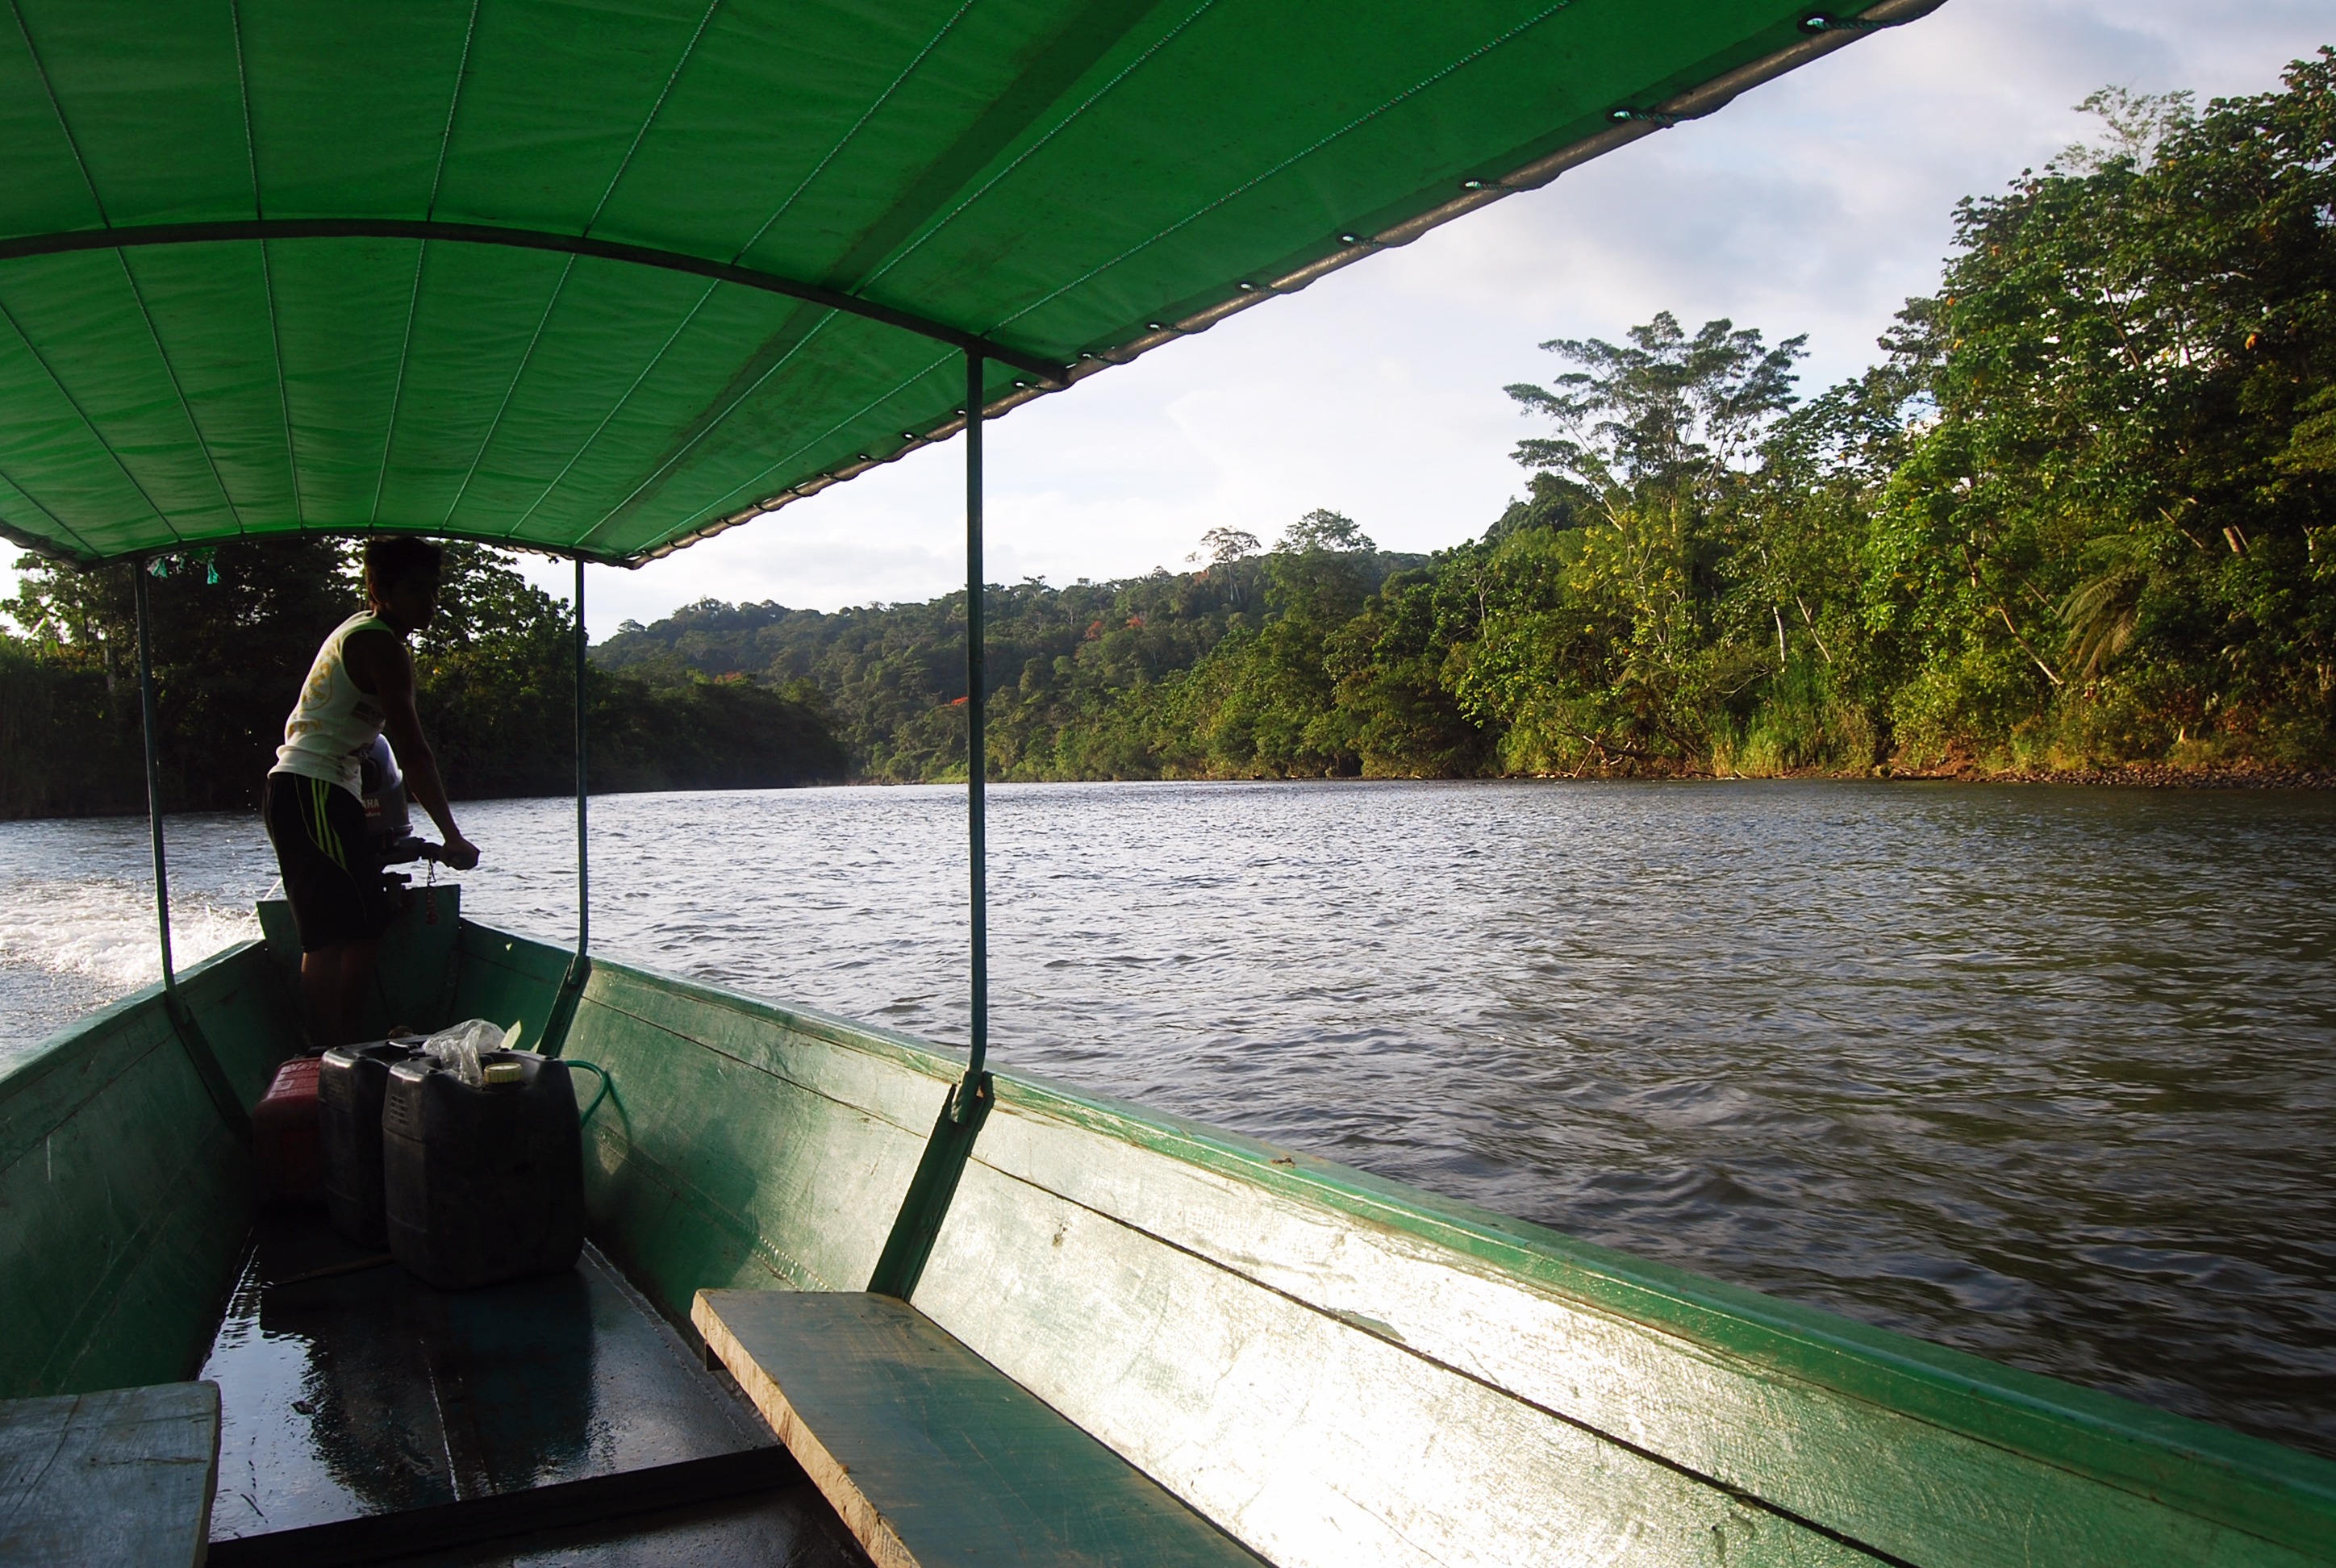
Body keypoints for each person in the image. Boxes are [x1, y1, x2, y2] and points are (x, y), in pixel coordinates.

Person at [264, 537, 480, 1046]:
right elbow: (412, 749)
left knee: (363, 925)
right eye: (415, 590)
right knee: (333, 934)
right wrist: (451, 836)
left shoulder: (370, 630)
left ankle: (347, 1043)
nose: (428, 602)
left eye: (434, 590)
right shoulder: (379, 643)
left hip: (326, 790)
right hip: (311, 787)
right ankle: (330, 1052)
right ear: (378, 589)